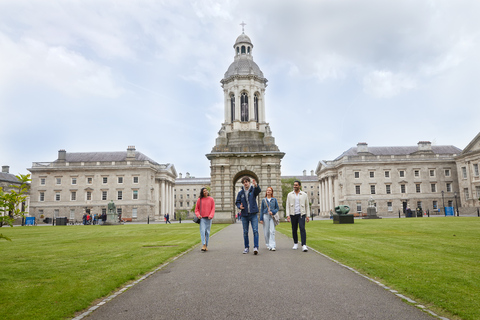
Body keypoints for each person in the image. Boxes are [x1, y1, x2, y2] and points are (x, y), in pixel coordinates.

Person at [236, 177, 261, 255]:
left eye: (246, 182)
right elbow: (237, 202)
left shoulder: (253, 190)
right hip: (244, 215)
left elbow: (258, 191)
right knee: (245, 232)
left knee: (255, 231)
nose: (245, 183)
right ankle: (246, 247)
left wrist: (256, 185)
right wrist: (239, 206)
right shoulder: (240, 193)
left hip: (253, 214)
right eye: (244, 182)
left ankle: (256, 247)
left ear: (249, 182)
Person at [286, 180, 310, 252]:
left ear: (299, 186)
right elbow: (287, 205)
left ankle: (304, 245)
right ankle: (295, 243)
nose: (294, 186)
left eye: (296, 185)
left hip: (301, 214)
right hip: (293, 214)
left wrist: (307, 215)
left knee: (302, 228)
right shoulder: (290, 194)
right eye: (294, 185)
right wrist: (288, 215)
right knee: (294, 229)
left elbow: (307, 205)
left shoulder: (304, 194)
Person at [260, 187, 279, 251]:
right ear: (266, 192)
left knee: (272, 231)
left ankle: (273, 245)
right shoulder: (263, 200)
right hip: (265, 216)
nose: (268, 191)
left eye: (269, 190)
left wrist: (273, 212)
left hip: (272, 216)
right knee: (266, 232)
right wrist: (261, 219)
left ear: (271, 192)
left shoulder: (274, 199)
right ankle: (268, 244)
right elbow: (261, 210)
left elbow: (277, 208)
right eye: (267, 190)